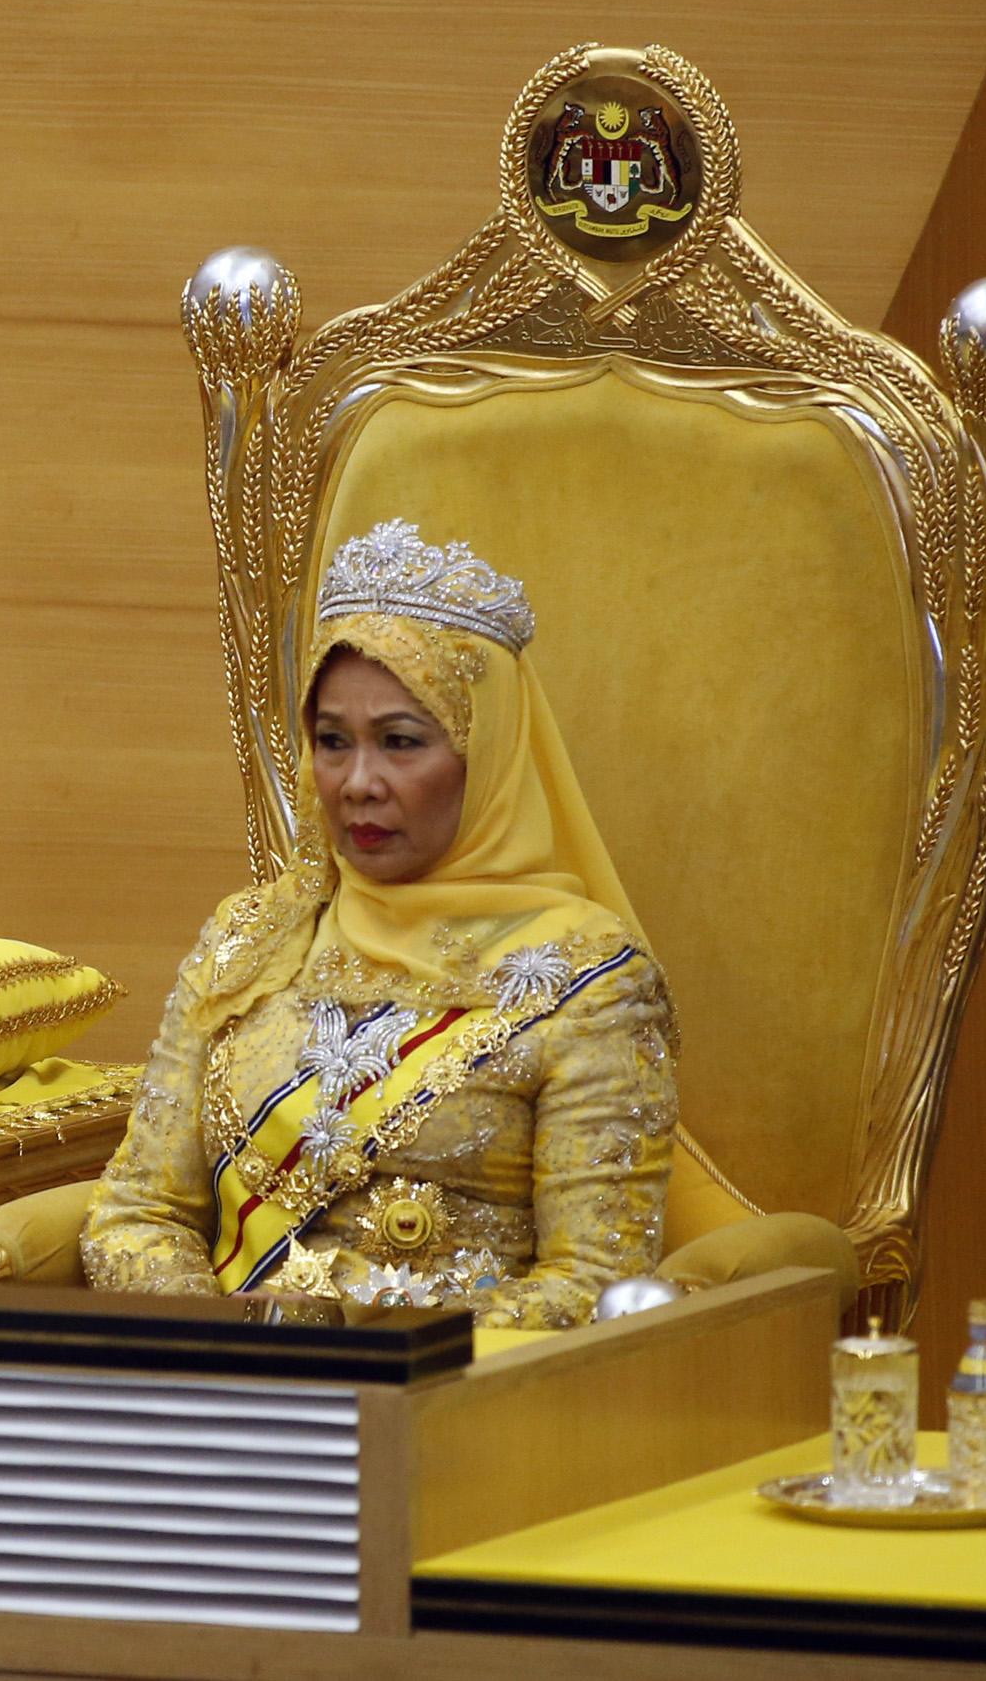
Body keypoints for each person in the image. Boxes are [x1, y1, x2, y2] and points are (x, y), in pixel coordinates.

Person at [79, 519, 676, 1327]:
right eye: (332, 742)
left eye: (401, 742)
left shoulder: (588, 978)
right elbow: (137, 1212)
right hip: (227, 1392)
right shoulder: (248, 938)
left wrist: (366, 1351)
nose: (358, 782)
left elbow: (597, 1282)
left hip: (456, 1408)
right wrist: (224, 1345)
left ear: (487, 754)